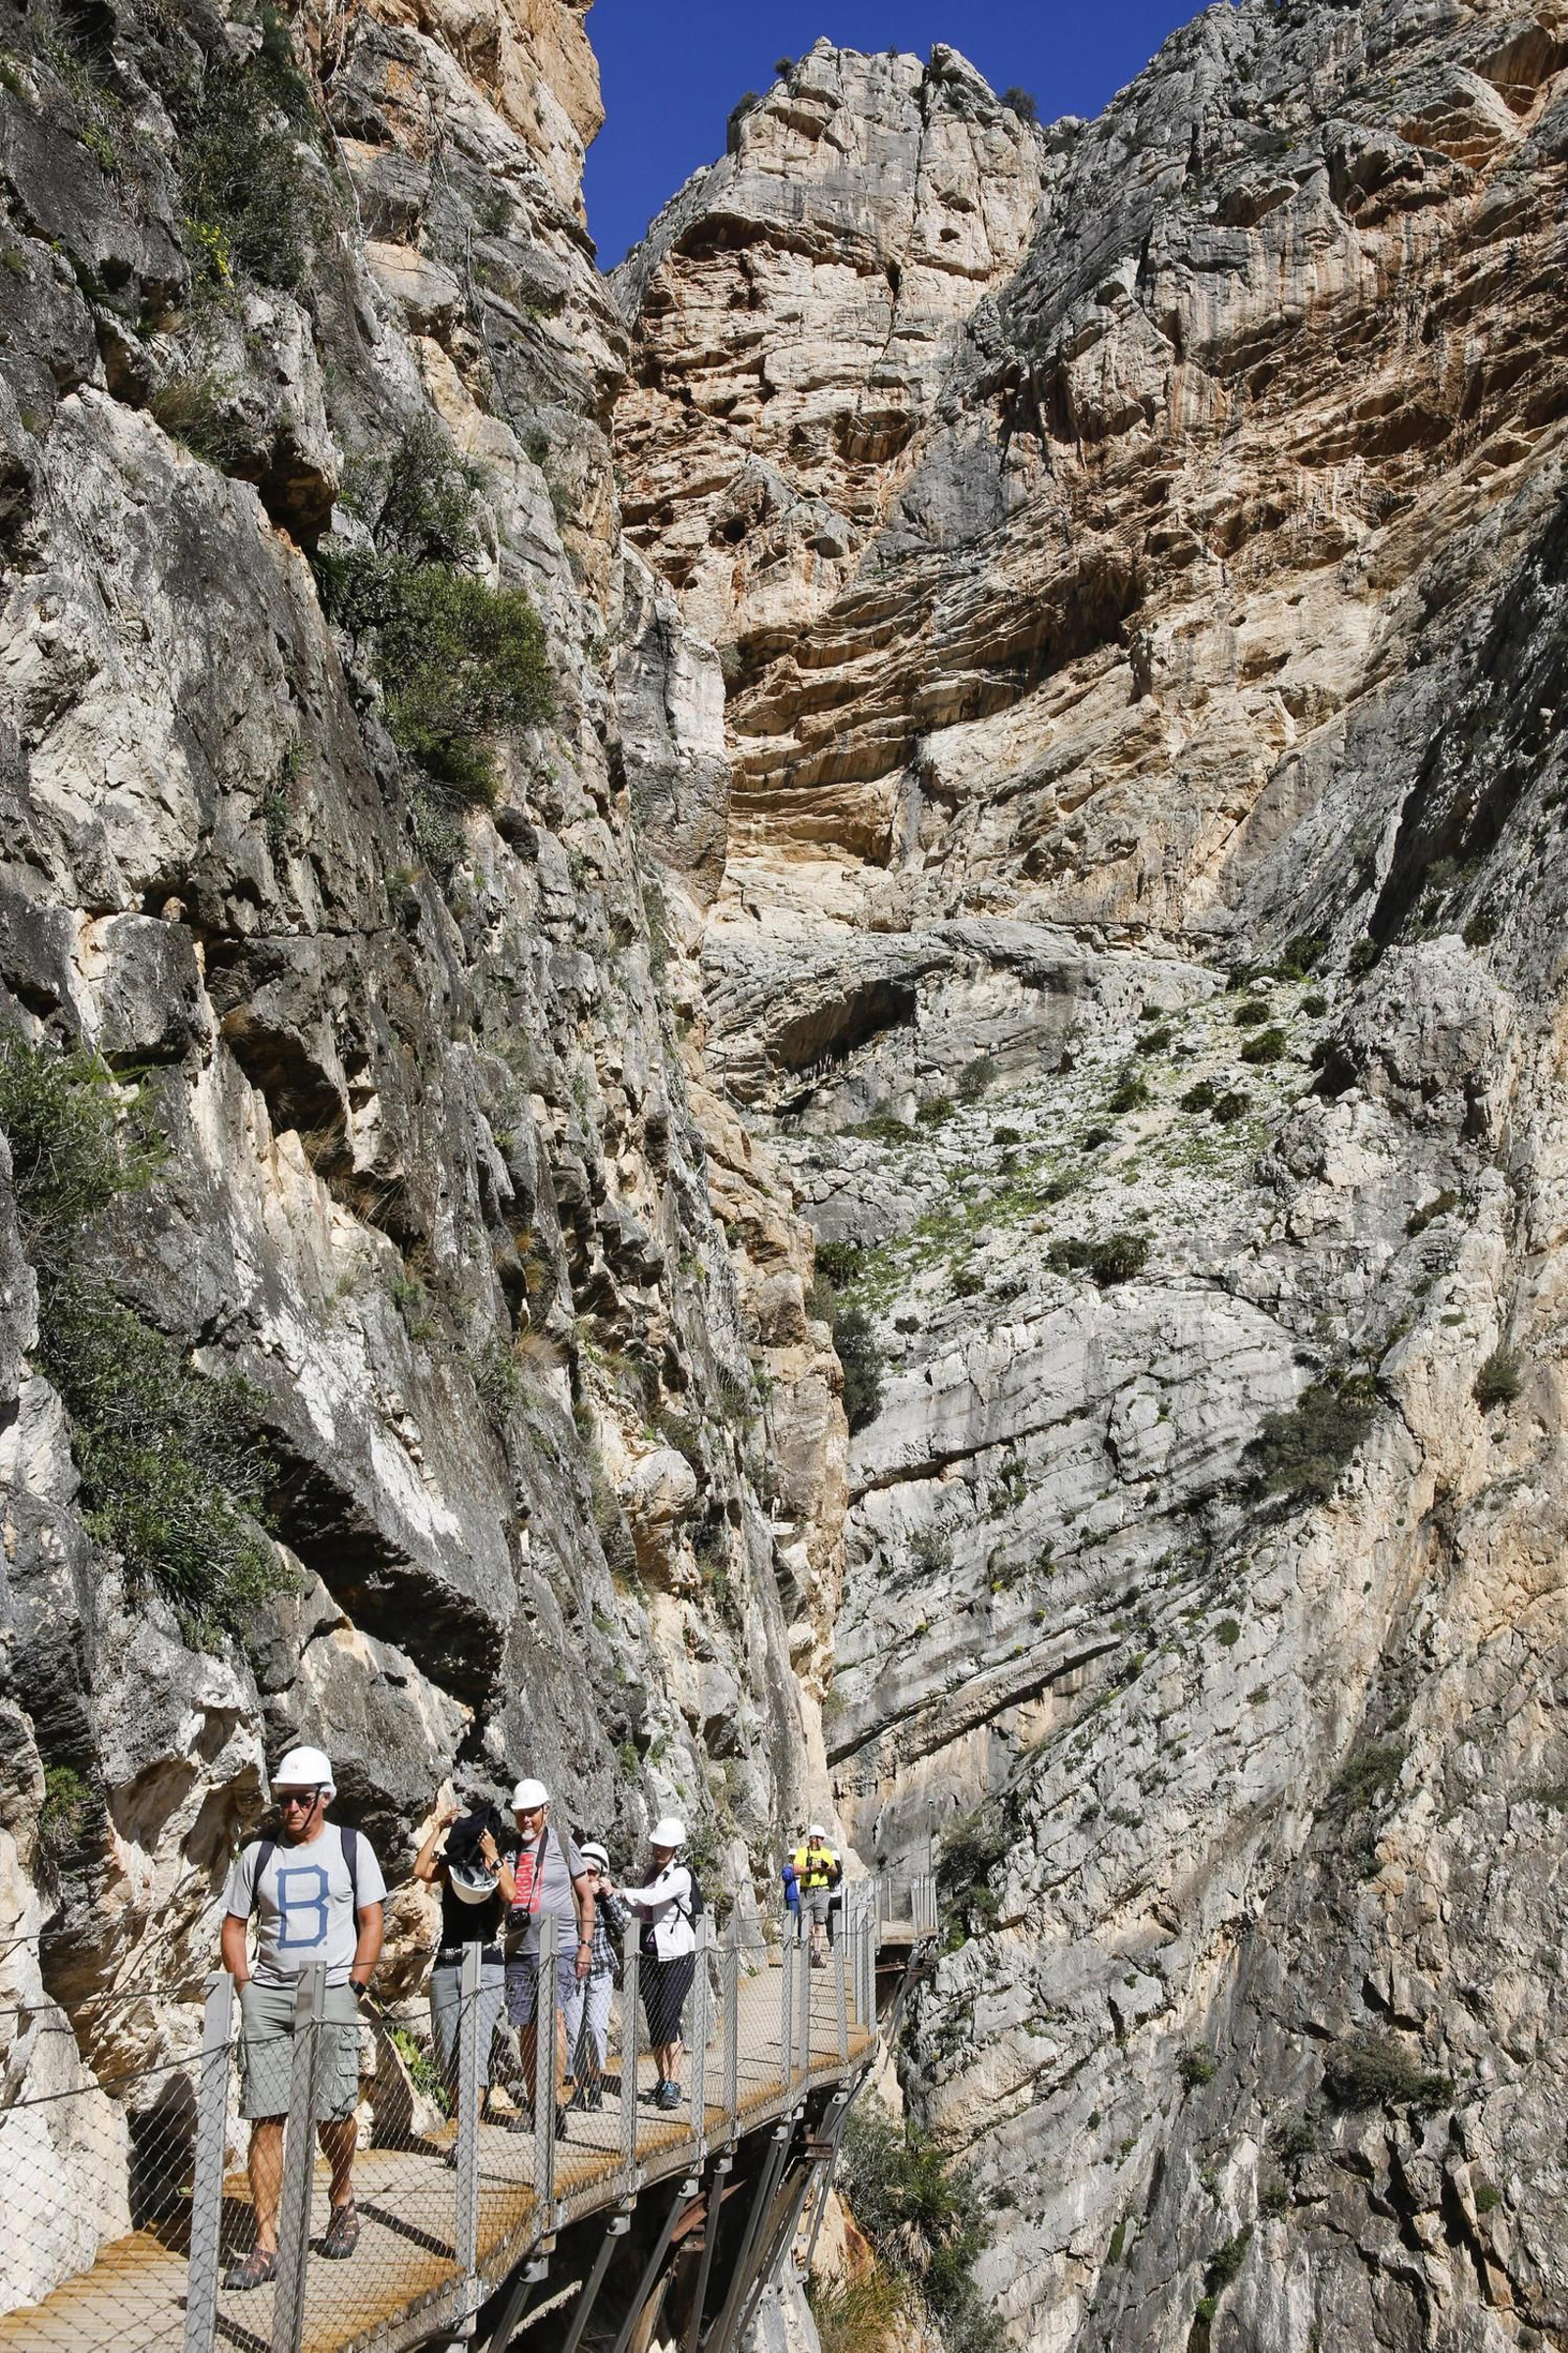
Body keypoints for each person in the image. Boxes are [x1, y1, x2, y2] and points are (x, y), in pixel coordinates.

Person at [220, 1746, 386, 2289]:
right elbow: (234, 1926)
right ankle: (266, 2244)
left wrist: (355, 1985)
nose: (291, 1808)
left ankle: (341, 2194)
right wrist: (245, 1988)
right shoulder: (257, 1856)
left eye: (301, 1798)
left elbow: (372, 1920)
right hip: (269, 1995)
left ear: (324, 1798)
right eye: (284, 1799)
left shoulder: (351, 1847)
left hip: (330, 1990)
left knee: (331, 2111)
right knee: (266, 2118)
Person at [497, 1778, 594, 2139]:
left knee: (553, 2020)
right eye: (521, 1813)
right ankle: (537, 2103)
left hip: (560, 1947)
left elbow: (586, 1897)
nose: (526, 1819)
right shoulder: (508, 1851)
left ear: (545, 1811)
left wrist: (585, 1945)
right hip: (519, 1949)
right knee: (526, 2026)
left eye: (532, 1813)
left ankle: (552, 2103)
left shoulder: (563, 1844)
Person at [412, 1797, 508, 2141]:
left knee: (475, 2051)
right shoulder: (450, 1870)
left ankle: (467, 2138)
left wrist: (493, 1854)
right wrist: (438, 1829)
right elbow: (420, 1870)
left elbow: (512, 1893)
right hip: (447, 1964)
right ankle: (464, 2126)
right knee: (449, 2053)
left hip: (485, 1966)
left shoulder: (497, 1868)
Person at [609, 1816, 696, 2112]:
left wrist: (620, 1892)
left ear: (675, 1848)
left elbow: (656, 1897)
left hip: (677, 1955)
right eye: (657, 1844)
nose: (659, 1850)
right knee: (656, 2018)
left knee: (669, 2015)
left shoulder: (680, 1875)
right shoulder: (649, 1872)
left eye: (664, 1846)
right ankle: (663, 2079)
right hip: (650, 1955)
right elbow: (641, 1909)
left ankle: (674, 2082)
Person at [566, 1841, 628, 2111]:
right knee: (573, 2031)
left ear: (601, 1874)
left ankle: (595, 2084)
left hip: (601, 1970)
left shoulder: (604, 1900)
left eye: (592, 1873)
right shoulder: (571, 1898)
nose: (587, 1877)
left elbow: (624, 1927)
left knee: (595, 2028)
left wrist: (608, 1894)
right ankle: (577, 2088)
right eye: (583, 1872)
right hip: (573, 1971)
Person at [791, 1824, 840, 1967]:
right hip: (806, 1891)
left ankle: (817, 1954)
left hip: (822, 1891)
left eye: (822, 1838)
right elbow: (795, 1869)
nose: (821, 1841)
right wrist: (812, 1868)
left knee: (820, 1922)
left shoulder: (826, 1853)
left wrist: (826, 1867)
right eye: (819, 1838)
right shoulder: (802, 1853)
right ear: (812, 1838)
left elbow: (835, 1871)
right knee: (806, 1923)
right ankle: (806, 1952)